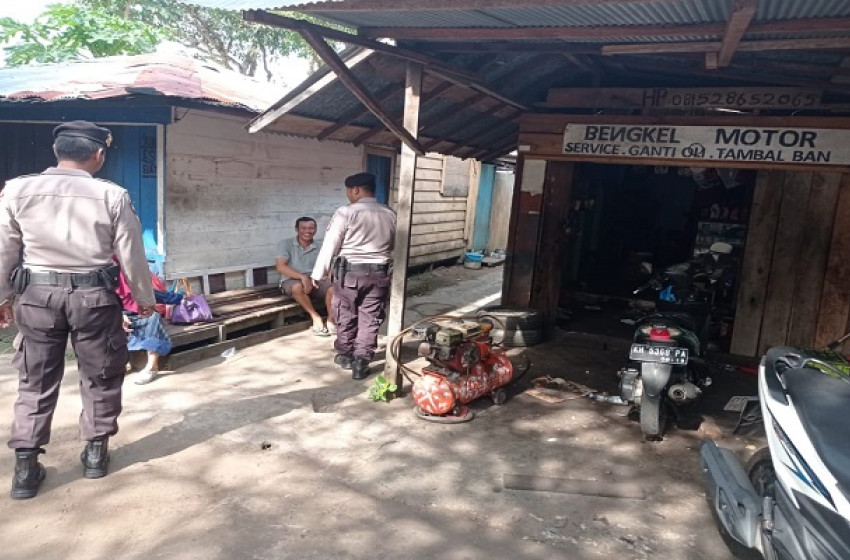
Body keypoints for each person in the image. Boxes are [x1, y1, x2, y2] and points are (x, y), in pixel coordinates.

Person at [0, 121, 155, 500]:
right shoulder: (112, 195)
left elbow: (4, 249)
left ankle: (25, 469)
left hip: (37, 297)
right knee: (101, 373)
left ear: (58, 151)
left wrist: (2, 297)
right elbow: (132, 253)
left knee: (35, 379)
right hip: (94, 298)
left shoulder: (17, 190)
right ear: (98, 154)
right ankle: (96, 456)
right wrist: (144, 298)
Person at [311, 172, 396, 380]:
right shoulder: (390, 213)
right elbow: (395, 244)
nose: (348, 195)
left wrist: (318, 273)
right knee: (370, 317)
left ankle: (346, 355)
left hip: (350, 274)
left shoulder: (346, 212)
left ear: (356, 190)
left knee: (345, 313)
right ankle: (361, 362)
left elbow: (331, 243)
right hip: (379, 274)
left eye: (349, 191)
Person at [276, 217, 335, 336]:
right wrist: (302, 277)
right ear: (297, 230)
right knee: (297, 287)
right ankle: (315, 317)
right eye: (303, 228)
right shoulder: (286, 244)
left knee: (334, 288)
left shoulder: (320, 245)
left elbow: (327, 266)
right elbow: (281, 267)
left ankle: (331, 320)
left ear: (315, 229)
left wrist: (329, 277)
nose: (307, 231)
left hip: (315, 279)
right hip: (292, 278)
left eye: (311, 228)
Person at [115, 268, 172, 385]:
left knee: (154, 317)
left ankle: (152, 366)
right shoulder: (108, 280)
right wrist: (120, 315)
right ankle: (118, 364)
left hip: (141, 316)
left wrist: (181, 298)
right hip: (118, 316)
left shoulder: (138, 280)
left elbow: (157, 295)